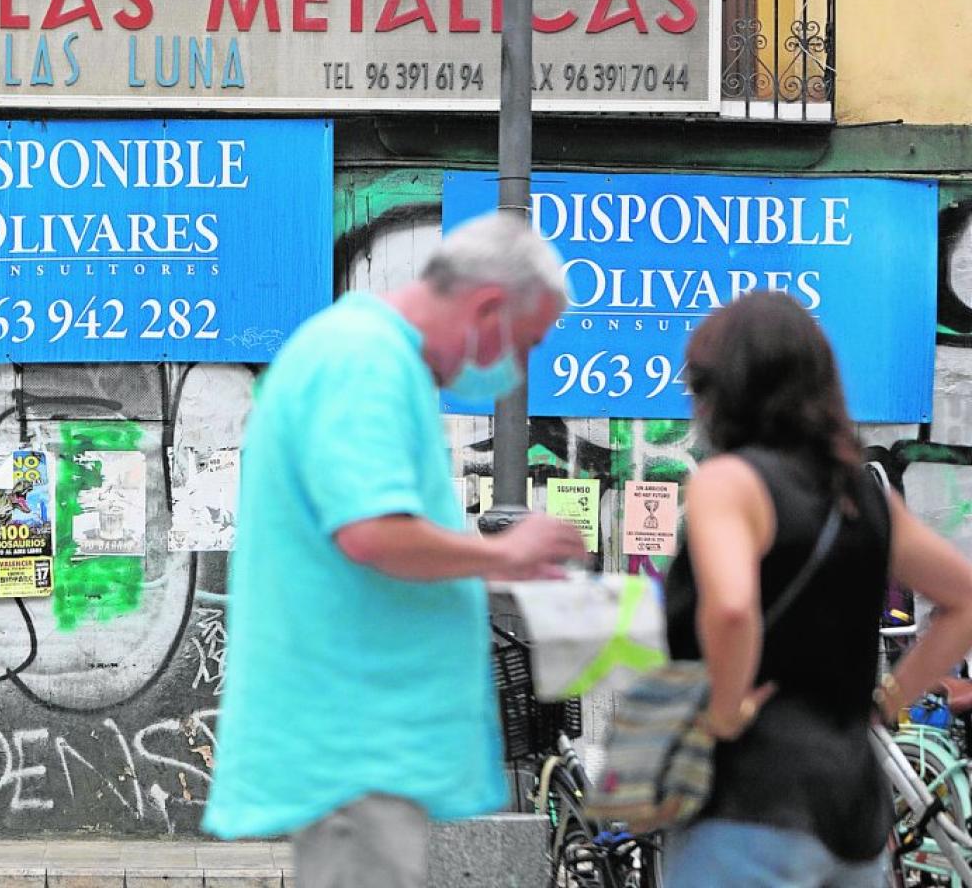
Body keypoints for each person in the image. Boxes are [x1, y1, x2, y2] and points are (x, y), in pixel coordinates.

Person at [205, 211, 588, 888]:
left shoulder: (373, 358)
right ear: (488, 306)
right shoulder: (364, 360)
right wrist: (503, 555)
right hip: (356, 740)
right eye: (524, 343)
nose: (519, 368)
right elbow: (372, 532)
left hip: (367, 739)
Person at [662, 291, 972, 886]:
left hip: (745, 806)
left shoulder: (729, 483)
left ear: (727, 390)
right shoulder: (864, 495)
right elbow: (962, 599)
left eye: (699, 384)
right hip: (852, 816)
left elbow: (731, 608)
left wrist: (725, 715)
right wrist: (889, 700)